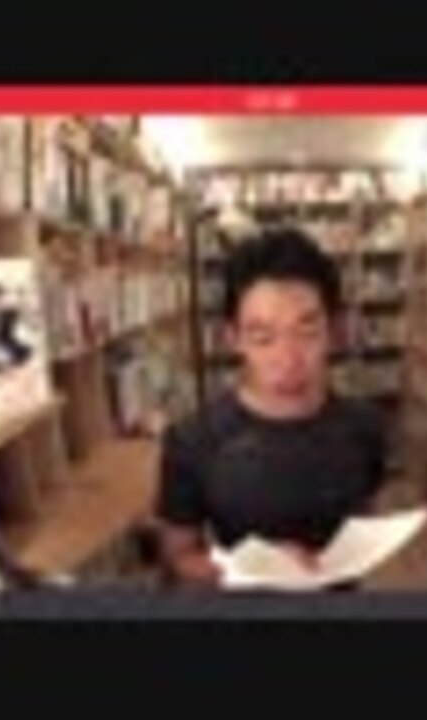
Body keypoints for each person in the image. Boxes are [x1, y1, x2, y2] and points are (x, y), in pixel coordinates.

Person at [155, 226, 386, 590]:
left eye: (307, 332)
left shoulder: (365, 426)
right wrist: (248, 569)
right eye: (263, 338)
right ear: (233, 339)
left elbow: (363, 518)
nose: (288, 359)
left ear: (334, 330)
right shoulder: (193, 440)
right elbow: (179, 557)